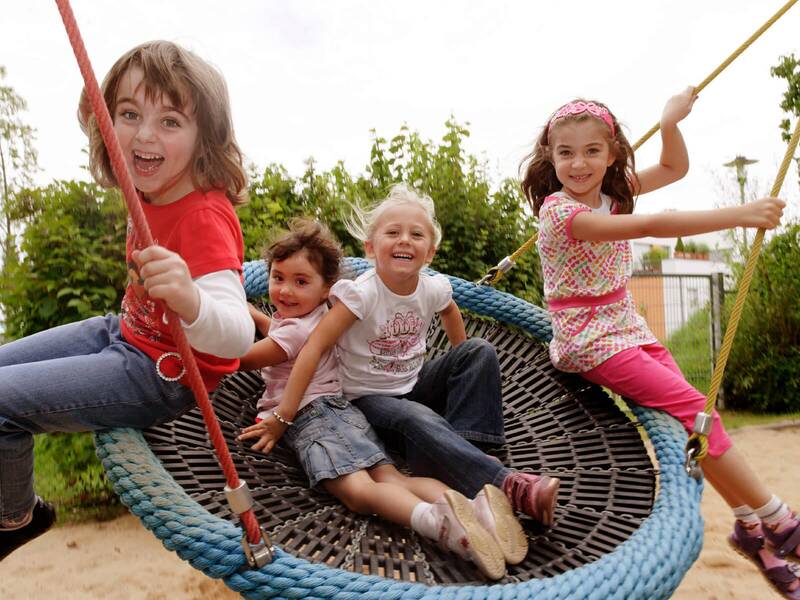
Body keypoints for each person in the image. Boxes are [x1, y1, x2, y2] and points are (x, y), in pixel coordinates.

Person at [521, 87, 799, 598]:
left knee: (697, 417)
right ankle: (779, 520)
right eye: (566, 152)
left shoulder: (613, 191)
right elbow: (649, 223)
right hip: (590, 338)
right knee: (699, 414)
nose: (578, 163)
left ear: (611, 154)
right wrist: (740, 214)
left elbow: (672, 169)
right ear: (550, 157)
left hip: (627, 323)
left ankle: (748, 527)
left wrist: (670, 123)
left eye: (591, 151)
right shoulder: (559, 212)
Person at [0, 41, 254, 561]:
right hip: (123, 332)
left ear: (204, 136)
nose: (144, 134)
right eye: (129, 114)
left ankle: (14, 518)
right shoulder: (150, 189)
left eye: (169, 121)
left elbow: (234, 336)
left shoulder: (202, 214)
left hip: (162, 373)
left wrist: (189, 299)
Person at [246, 184, 560, 530]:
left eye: (416, 234)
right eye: (392, 232)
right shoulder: (361, 295)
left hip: (412, 383)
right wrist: (284, 415)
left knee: (478, 351)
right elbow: (313, 347)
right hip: (366, 399)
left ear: (429, 253)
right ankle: (507, 486)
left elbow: (451, 313)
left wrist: (460, 373)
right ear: (371, 248)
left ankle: (471, 450)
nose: (404, 240)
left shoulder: (433, 287)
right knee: (416, 417)